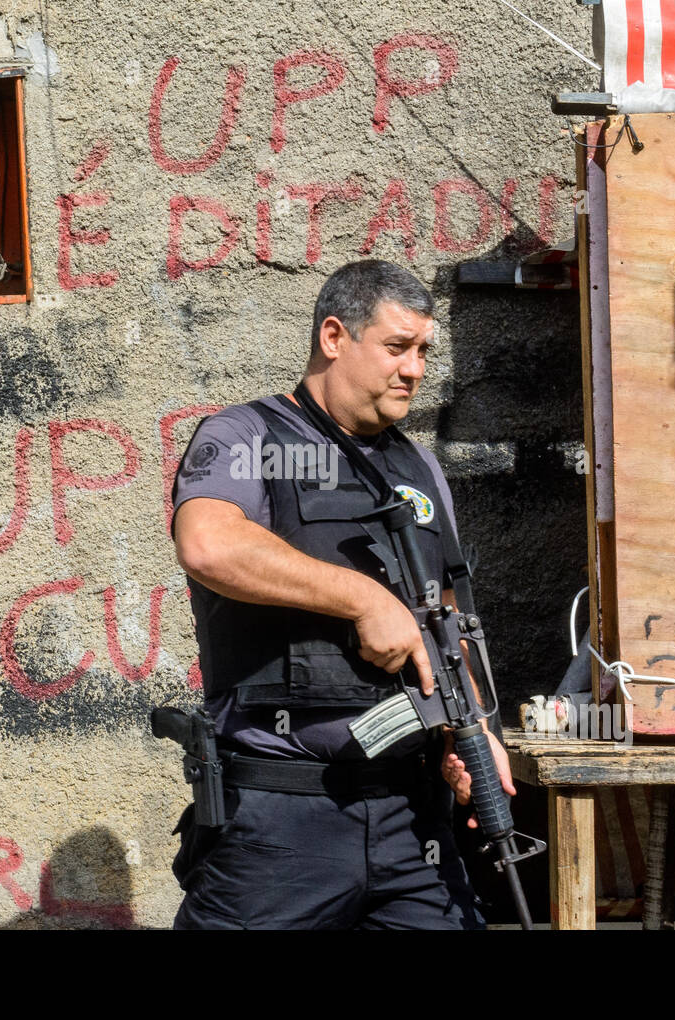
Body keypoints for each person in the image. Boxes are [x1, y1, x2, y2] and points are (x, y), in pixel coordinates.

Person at [166, 258, 516, 929]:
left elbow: (442, 618)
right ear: (334, 337)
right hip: (283, 820)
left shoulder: (417, 466)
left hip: (413, 823)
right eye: (396, 347)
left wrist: (469, 731)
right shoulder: (247, 437)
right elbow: (209, 544)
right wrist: (363, 600)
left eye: (422, 351)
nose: (414, 369)